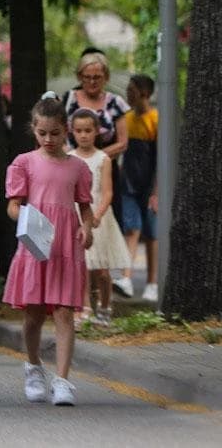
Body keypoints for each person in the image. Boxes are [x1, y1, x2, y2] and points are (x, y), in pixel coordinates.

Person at [4, 94, 94, 407]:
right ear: (34, 129)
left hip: (65, 245)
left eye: (55, 133)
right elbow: (13, 206)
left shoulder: (78, 168)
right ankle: (33, 367)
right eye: (42, 133)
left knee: (65, 312)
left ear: (65, 130)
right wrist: (28, 217)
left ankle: (64, 380)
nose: (49, 139)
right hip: (37, 244)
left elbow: (85, 206)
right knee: (33, 314)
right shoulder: (24, 163)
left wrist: (87, 227)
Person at [69, 110, 130, 326]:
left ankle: (105, 305)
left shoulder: (103, 158)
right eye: (79, 131)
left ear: (97, 132)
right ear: (72, 132)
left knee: (103, 269)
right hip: (78, 214)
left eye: (88, 130)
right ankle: (84, 307)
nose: (83, 135)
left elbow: (107, 192)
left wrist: (98, 214)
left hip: (100, 216)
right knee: (83, 265)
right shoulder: (70, 158)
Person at [120, 74, 158, 302]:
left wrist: (157, 192)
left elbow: (160, 159)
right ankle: (126, 277)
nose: (128, 93)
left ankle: (152, 283)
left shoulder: (156, 119)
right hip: (128, 183)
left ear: (144, 92)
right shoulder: (126, 118)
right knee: (132, 229)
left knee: (152, 234)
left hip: (150, 185)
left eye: (131, 89)